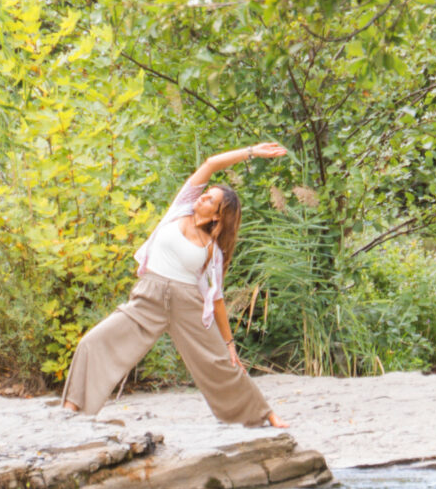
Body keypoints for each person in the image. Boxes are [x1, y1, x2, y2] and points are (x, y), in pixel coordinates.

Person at [63, 142, 291, 426]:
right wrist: (251, 152)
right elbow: (210, 164)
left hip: (187, 305)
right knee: (92, 342)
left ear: (218, 215)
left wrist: (229, 342)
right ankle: (71, 410)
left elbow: (217, 298)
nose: (203, 198)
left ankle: (264, 413)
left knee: (220, 361)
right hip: (150, 298)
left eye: (210, 200)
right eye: (205, 194)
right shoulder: (180, 208)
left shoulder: (213, 251)